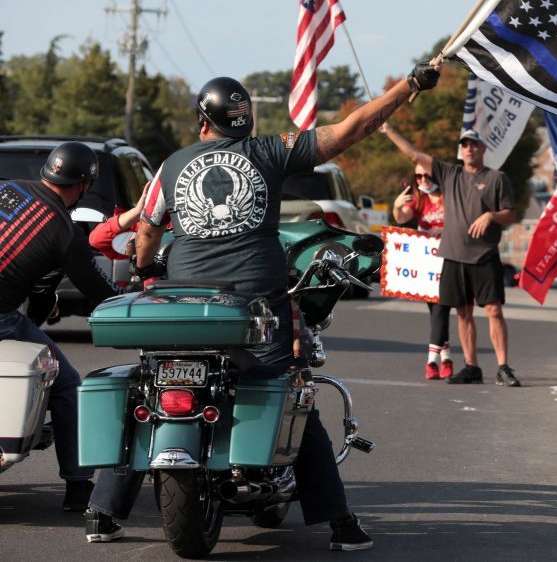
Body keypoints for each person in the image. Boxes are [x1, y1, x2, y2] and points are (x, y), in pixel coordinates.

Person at [84, 64, 440, 550]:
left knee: (146, 388)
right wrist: (409, 86)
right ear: (245, 120)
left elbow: (146, 229)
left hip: (182, 304)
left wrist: (148, 270)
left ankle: (103, 514)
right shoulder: (269, 152)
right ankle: (339, 522)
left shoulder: (171, 165)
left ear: (201, 120)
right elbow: (350, 130)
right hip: (254, 305)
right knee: (295, 391)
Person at [0, 142, 122, 512]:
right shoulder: (64, 232)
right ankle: (78, 486)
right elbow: (102, 295)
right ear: (83, 184)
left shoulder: (8, 189)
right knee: (67, 382)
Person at [382, 124, 519, 387]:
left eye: (474, 145)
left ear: (483, 149)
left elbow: (511, 213)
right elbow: (414, 155)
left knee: (493, 310)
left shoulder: (496, 178)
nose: (470, 149)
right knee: (463, 313)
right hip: (454, 256)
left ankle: (503, 367)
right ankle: (472, 366)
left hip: (484, 254)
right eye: (465, 145)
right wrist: (389, 130)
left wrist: (491, 215)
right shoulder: (449, 174)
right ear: (460, 150)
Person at [390, 159, 452, 379]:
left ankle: (432, 362)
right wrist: (397, 204)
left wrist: (445, 232)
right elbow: (401, 218)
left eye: (427, 176)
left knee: (441, 308)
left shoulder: (451, 197)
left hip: (449, 259)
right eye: (419, 177)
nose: (423, 180)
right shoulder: (420, 200)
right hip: (427, 264)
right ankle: (446, 357)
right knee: (436, 311)